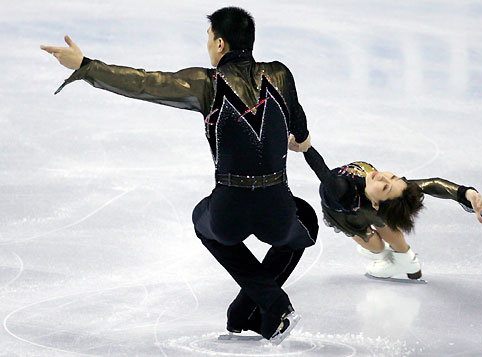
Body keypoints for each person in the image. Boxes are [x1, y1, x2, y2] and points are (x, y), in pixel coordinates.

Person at [41, 7, 318, 343]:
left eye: (208, 38)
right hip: (276, 211)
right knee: (305, 221)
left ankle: (266, 305)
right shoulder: (281, 75)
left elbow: (143, 84)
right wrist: (296, 141)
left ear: (219, 43)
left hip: (229, 215)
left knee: (203, 217)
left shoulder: (207, 83)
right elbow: (301, 136)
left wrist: (86, 67)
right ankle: (249, 310)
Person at [288, 136, 482, 279]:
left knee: (382, 239)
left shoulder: (341, 189)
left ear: (378, 204)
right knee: (382, 239)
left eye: (387, 184)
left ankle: (403, 261)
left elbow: (322, 171)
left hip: (354, 211)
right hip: (358, 211)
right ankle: (401, 259)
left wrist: (305, 145)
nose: (385, 176)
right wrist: (467, 194)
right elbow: (432, 184)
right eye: (393, 176)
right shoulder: (375, 192)